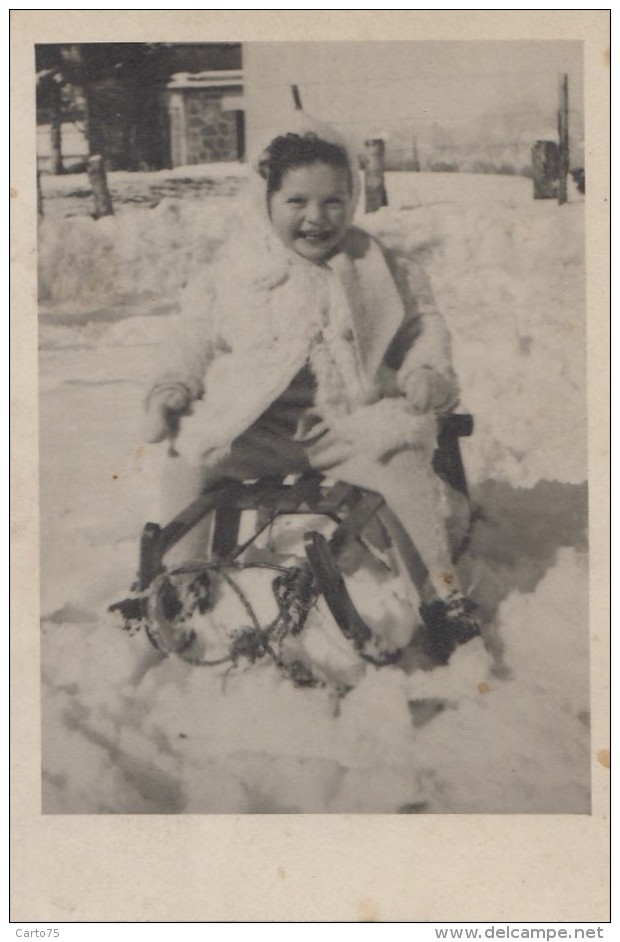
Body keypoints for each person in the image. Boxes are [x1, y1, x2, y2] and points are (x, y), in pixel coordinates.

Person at [143, 111, 480, 664]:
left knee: (400, 463)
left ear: (354, 200)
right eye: (296, 202)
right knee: (188, 455)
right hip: (257, 427)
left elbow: (424, 324)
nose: (316, 218)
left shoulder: (376, 265)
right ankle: (181, 580)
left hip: (346, 426)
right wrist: (172, 385)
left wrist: (426, 370)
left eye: (333, 202)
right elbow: (191, 337)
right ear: (268, 202)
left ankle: (441, 595)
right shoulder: (239, 269)